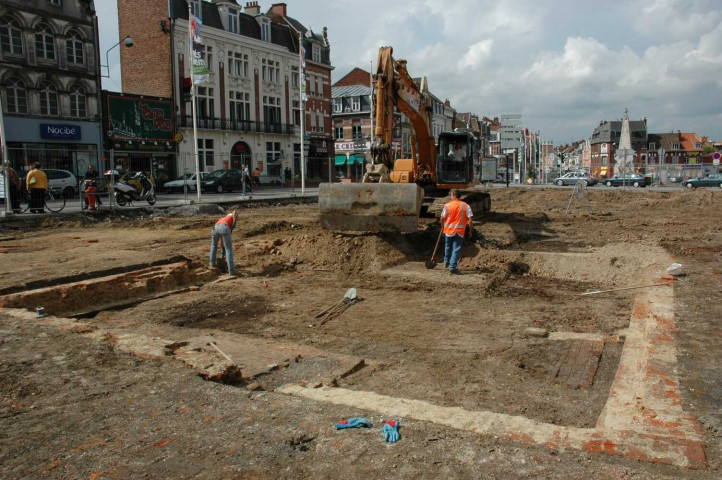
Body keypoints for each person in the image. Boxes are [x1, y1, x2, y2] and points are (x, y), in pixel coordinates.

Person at [440, 189, 473, 275]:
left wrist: (443, 226)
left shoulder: (447, 205)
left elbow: (442, 218)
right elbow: (470, 220)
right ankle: (452, 267)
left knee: (448, 247)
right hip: (459, 231)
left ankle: (446, 262)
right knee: (456, 249)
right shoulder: (466, 206)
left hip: (448, 230)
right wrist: (470, 231)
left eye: (451, 195)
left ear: (454, 195)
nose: (450, 197)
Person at [210, 210, 238, 275]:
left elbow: (222, 239)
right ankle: (231, 270)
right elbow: (234, 211)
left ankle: (212, 265)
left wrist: (223, 251)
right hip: (224, 227)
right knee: (229, 248)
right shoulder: (231, 216)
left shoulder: (223, 219)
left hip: (215, 228)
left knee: (214, 246)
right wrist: (234, 222)